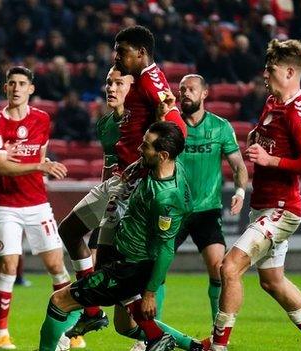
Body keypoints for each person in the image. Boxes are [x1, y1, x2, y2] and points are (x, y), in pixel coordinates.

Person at [62, 26, 186, 345]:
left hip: (134, 188)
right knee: (77, 238)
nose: (117, 57)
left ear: (140, 53)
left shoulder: (151, 81)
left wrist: (151, 167)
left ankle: (157, 335)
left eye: (122, 51)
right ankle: (96, 313)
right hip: (120, 181)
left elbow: (176, 131)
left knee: (109, 268)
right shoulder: (133, 94)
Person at [210, 39, 301, 351]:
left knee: (229, 267)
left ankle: (218, 345)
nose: (265, 74)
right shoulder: (272, 103)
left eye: (271, 69)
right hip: (264, 206)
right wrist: (258, 140)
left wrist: (270, 160)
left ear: (291, 72)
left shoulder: (299, 113)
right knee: (272, 281)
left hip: (282, 209)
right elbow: (270, 140)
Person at [38, 121, 191, 351]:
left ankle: (154, 336)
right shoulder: (160, 168)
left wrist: (150, 293)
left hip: (127, 267)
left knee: (58, 301)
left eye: (146, 146)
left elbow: (166, 249)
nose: (140, 149)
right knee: (126, 326)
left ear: (163, 155)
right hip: (122, 259)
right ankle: (194, 346)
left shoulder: (166, 198)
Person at [0, 66, 71, 350]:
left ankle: (70, 331)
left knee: (57, 266)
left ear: (31, 89)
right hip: (6, 206)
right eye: (12, 83)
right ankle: (2, 334)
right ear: (5, 88)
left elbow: (41, 154)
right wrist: (38, 166)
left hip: (37, 204)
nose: (17, 88)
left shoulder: (42, 119)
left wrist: (40, 166)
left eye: (22, 83)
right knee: (8, 268)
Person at [173, 74, 248, 325]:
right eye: (182, 89)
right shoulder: (171, 125)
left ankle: (218, 331)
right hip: (173, 209)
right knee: (154, 269)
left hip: (207, 210)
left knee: (219, 269)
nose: (184, 93)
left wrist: (239, 192)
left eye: (191, 89)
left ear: (204, 93)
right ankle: (147, 337)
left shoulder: (220, 127)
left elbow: (238, 166)